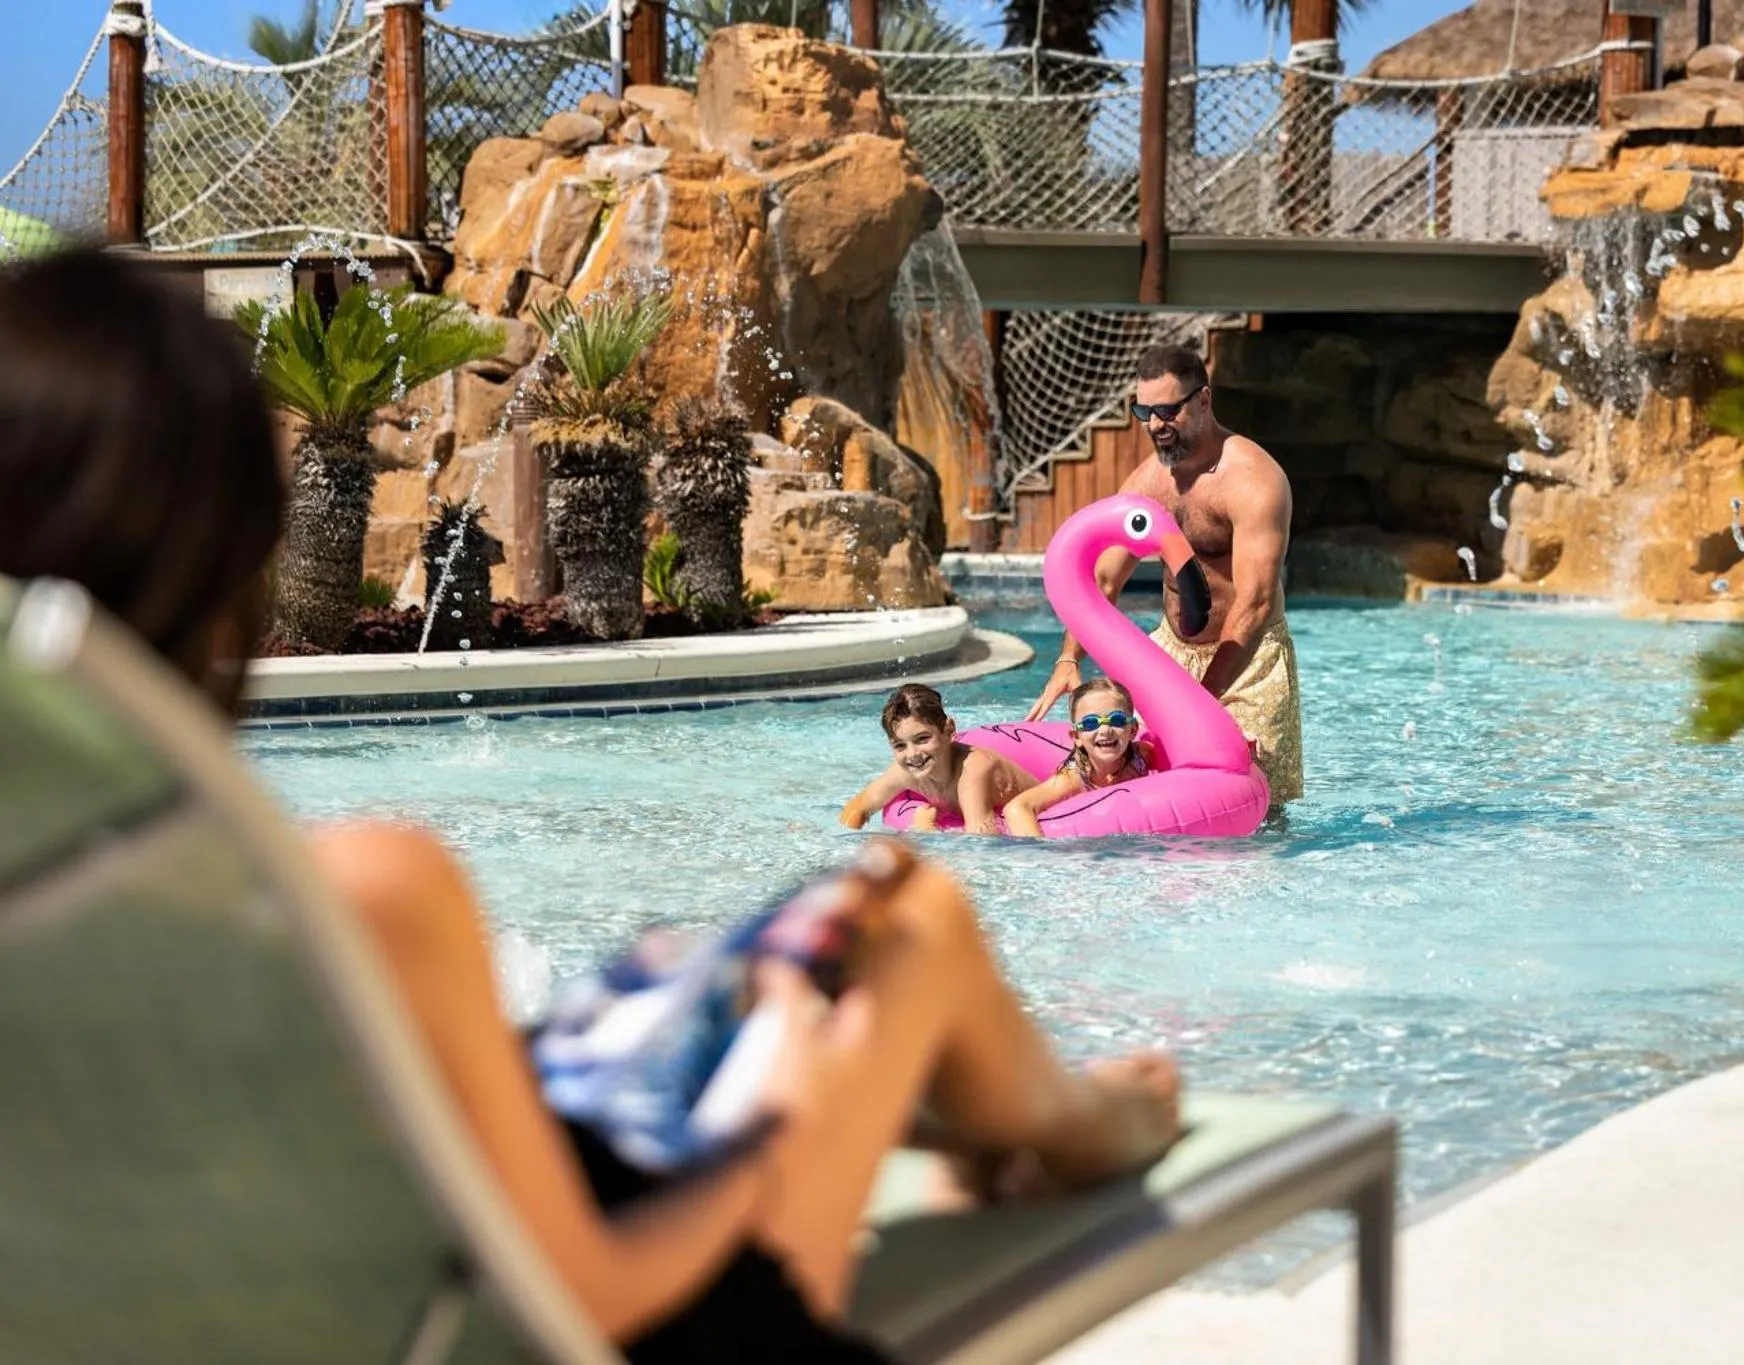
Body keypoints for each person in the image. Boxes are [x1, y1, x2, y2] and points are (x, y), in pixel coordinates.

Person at [0, 246, 1182, 1363]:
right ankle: (1072, 1130)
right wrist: (764, 1133)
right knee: (895, 915)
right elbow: (590, 1292)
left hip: (310, 1290)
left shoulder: (60, 917)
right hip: (601, 1329)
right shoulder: (363, 894)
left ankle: (1010, 1122)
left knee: (710, 978)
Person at [1025, 342, 1304, 805]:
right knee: (1153, 795)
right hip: (1172, 655)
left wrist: (1198, 706)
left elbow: (1254, 604)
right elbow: (1103, 581)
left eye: (1168, 410)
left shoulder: (1253, 480)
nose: (1155, 424)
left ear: (1204, 400)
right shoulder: (1147, 483)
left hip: (1248, 661)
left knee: (1257, 808)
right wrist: (1068, 659)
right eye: (1144, 412)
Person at [839, 683, 1038, 836]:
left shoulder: (973, 772)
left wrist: (924, 830)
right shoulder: (906, 772)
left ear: (949, 730)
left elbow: (982, 845)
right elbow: (856, 809)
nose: (912, 754)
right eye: (900, 746)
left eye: (922, 739)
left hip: (1040, 813)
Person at [1003, 679, 1158, 840]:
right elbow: (1017, 808)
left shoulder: (1142, 756)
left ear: (1133, 730)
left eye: (1116, 720)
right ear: (1076, 737)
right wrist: (1042, 852)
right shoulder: (1074, 779)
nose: (1105, 730)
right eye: (1090, 723)